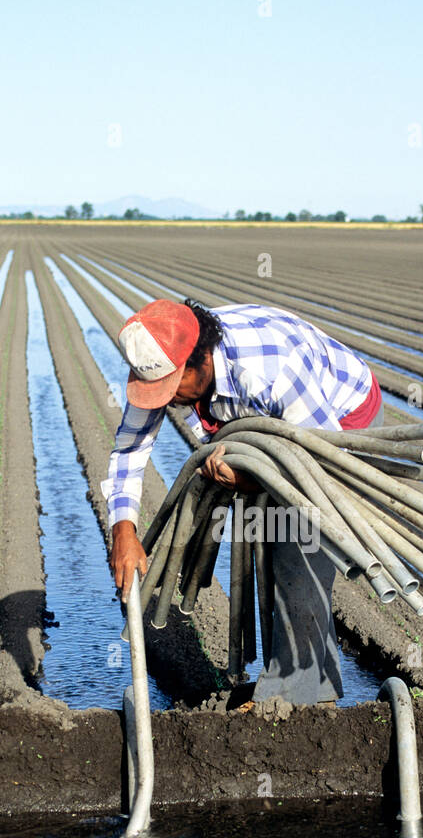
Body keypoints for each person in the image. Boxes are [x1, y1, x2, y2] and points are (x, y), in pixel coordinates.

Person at [103, 298, 384, 705]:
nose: (165, 400)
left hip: (336, 423)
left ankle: (293, 695)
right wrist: (123, 530)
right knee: (269, 540)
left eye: (171, 388)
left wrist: (253, 480)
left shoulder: (271, 371)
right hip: (265, 425)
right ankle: (309, 683)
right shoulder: (161, 359)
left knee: (300, 544)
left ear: (199, 362)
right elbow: (129, 447)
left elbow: (319, 462)